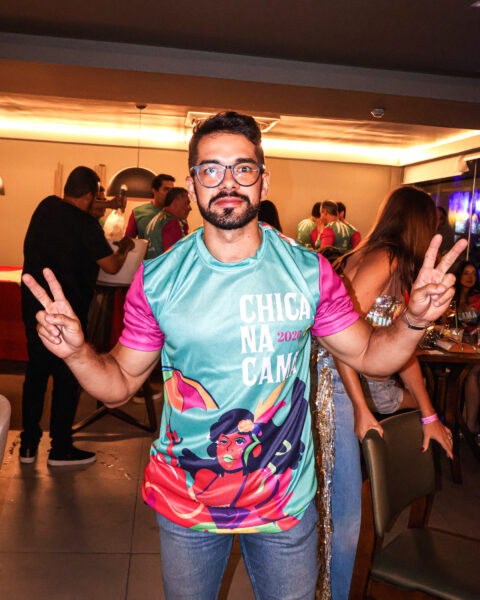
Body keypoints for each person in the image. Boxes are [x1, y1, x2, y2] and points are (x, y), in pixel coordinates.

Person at [22, 113, 464, 599]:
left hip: (284, 503)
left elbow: (370, 355)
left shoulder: (308, 272)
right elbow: (120, 383)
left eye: (243, 168)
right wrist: (78, 353)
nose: (227, 182)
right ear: (193, 183)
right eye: (211, 170)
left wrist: (413, 320)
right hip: (187, 500)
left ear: (263, 180)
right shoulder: (159, 278)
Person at [325, 186, 454, 599]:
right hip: (336, 382)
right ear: (420, 224)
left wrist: (430, 416)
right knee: (346, 515)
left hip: (363, 378)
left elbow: (402, 351)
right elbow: (337, 338)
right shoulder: (385, 258)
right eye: (433, 224)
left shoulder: (395, 263)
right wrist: (360, 407)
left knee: (340, 508)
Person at [20, 166, 134, 466]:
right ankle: (61, 448)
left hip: (34, 306)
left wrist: (104, 204)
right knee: (67, 376)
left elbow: (76, 211)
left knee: (36, 373)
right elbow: (111, 266)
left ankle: (28, 445)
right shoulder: (87, 225)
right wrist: (124, 248)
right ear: (89, 196)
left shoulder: (46, 206)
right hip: (68, 312)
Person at [453, 260, 480, 435]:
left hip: (475, 347)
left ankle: (470, 426)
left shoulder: (478, 298)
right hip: (452, 346)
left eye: (473, 274)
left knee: (472, 372)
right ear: (459, 275)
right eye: (466, 273)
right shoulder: (450, 296)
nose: (470, 277)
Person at [143, 186, 191, 259]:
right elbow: (175, 257)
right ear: (175, 203)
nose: (190, 208)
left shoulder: (156, 220)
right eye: (187, 203)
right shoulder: (172, 223)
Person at [124, 173, 175, 238]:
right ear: (154, 191)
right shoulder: (138, 212)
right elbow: (128, 240)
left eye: (172, 190)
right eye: (166, 189)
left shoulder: (177, 213)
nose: (170, 193)